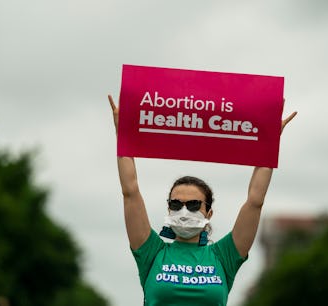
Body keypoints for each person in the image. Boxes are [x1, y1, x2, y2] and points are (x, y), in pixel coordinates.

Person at [108, 94, 296, 306]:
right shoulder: (152, 252)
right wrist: (122, 132)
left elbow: (255, 201)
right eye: (176, 204)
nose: (184, 210)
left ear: (209, 213)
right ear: (168, 209)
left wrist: (270, 142)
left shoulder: (224, 256)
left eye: (194, 204)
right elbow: (130, 192)